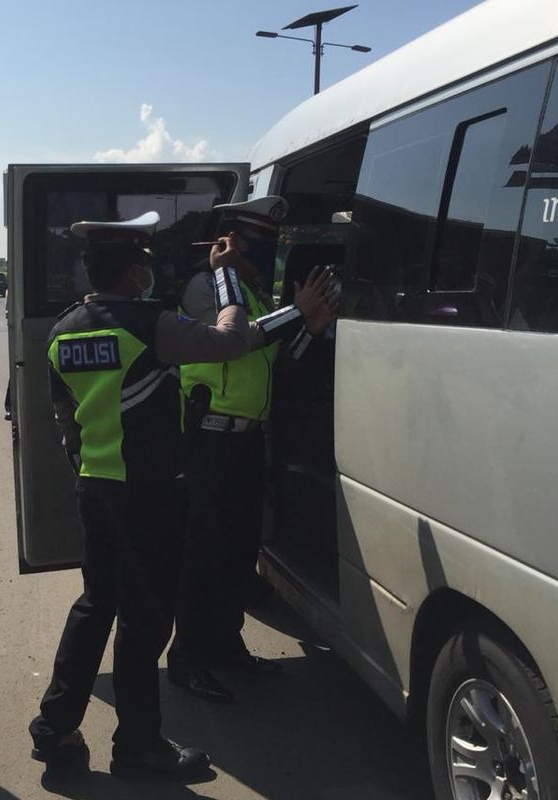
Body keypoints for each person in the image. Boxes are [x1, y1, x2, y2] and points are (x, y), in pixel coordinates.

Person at [29, 211, 263, 780]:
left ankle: (54, 727)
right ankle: (139, 745)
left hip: (97, 488)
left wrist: (87, 470)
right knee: (145, 620)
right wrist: (224, 277)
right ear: (136, 272)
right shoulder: (148, 325)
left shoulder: (66, 327)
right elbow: (230, 341)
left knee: (94, 606)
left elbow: (65, 418)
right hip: (149, 495)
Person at [167, 196, 338, 704]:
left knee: (239, 554)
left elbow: (280, 359)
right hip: (206, 442)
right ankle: (188, 659)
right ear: (234, 241)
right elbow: (237, 342)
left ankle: (225, 646)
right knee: (204, 556)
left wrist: (311, 329)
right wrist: (297, 313)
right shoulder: (206, 288)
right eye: (258, 241)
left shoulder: (256, 296)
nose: (264, 252)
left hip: (245, 442)